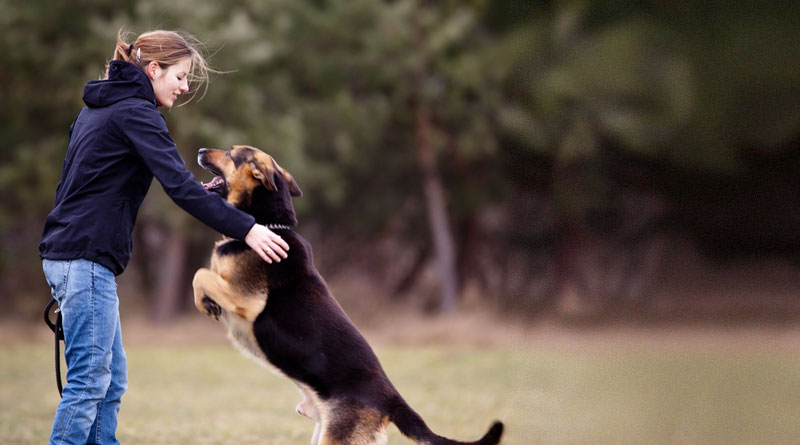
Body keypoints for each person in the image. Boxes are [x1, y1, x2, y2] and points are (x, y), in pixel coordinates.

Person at [38, 29, 288, 445]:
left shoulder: (99, 108)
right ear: (153, 69)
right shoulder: (135, 113)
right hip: (83, 259)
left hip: (74, 256)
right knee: (90, 382)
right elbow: (181, 188)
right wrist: (247, 227)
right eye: (180, 76)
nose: (185, 87)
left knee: (110, 382)